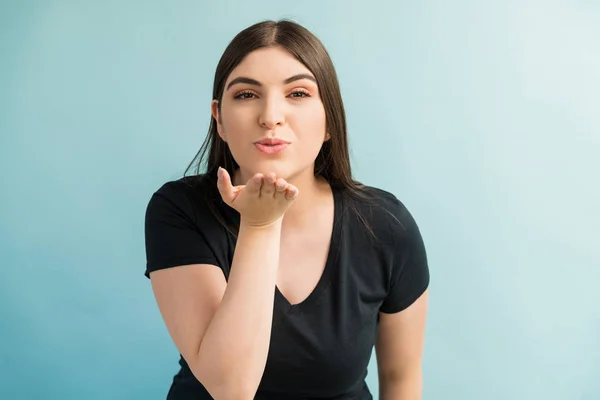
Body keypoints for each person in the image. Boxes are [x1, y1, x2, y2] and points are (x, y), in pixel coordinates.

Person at [144, 19, 430, 400]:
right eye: (246, 95)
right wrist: (260, 226)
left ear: (330, 119)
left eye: (297, 93)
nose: (271, 116)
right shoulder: (179, 210)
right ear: (220, 120)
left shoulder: (386, 225)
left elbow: (401, 379)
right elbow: (231, 388)